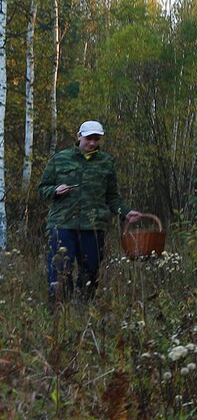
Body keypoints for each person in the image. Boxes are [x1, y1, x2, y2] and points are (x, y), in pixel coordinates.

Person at [37, 120, 142, 304]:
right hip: (62, 224)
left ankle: (83, 310)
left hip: (92, 226)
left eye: (96, 139)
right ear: (79, 136)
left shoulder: (106, 162)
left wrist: (125, 212)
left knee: (91, 270)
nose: (92, 143)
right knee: (60, 269)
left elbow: (112, 197)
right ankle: (59, 310)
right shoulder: (59, 159)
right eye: (88, 138)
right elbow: (42, 189)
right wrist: (55, 190)